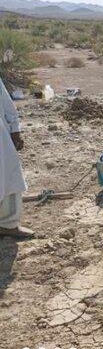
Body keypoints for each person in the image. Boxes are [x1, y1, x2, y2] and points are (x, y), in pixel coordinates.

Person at [0, 78, 32, 239]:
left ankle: (8, 224)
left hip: (1, 138)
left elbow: (5, 101)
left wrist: (14, 129)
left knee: (9, 177)